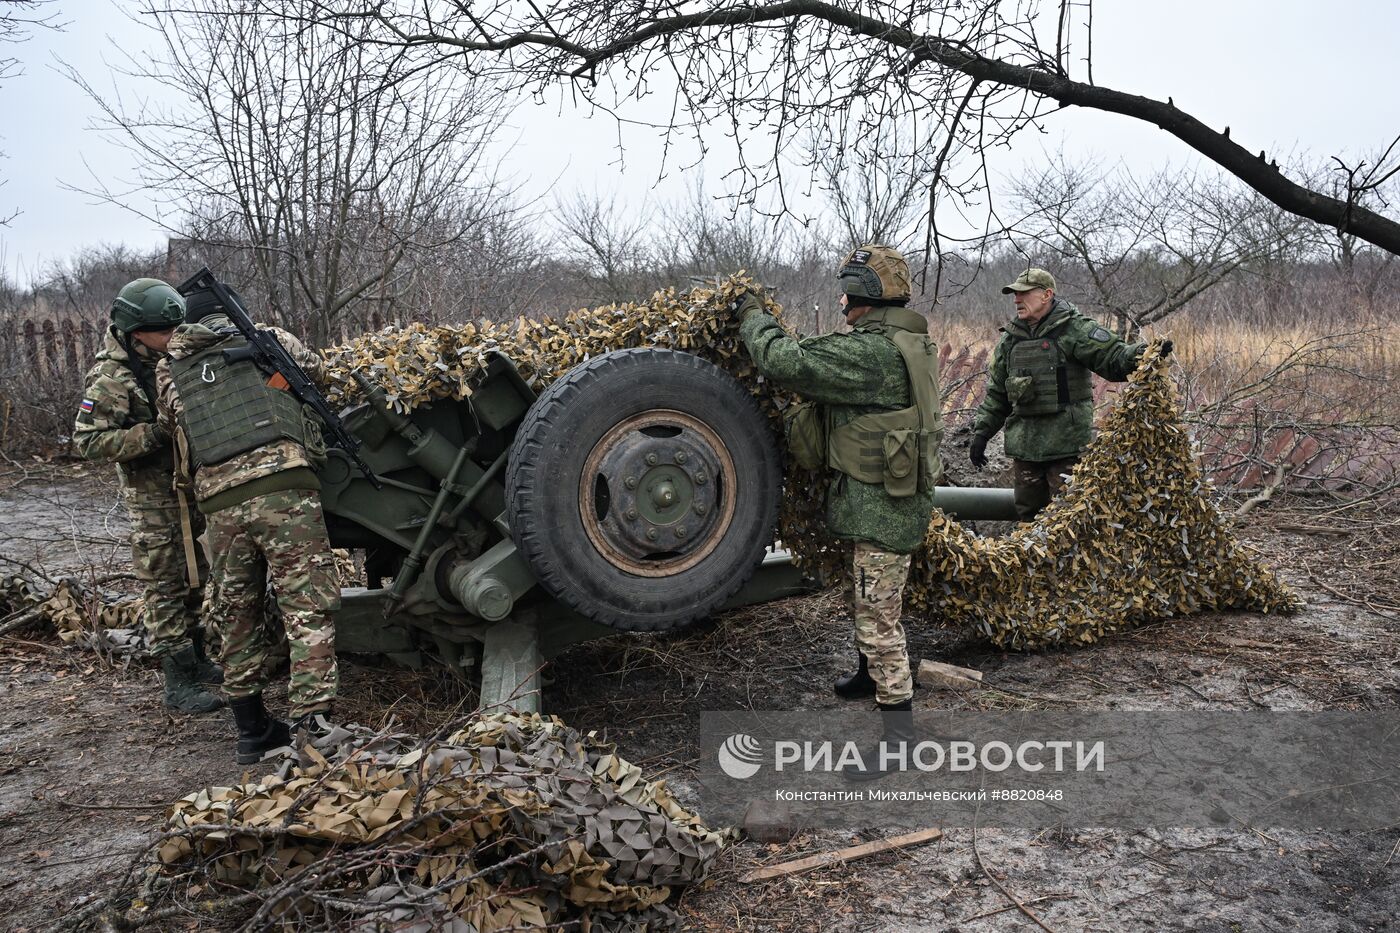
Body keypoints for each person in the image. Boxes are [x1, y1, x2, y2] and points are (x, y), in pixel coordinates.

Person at [736, 245, 942, 779]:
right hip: (881, 499)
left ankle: (900, 740)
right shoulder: (906, 341)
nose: (841, 298)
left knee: (879, 621)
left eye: (847, 289)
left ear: (866, 295)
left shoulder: (874, 354)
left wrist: (754, 315)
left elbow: (788, 362)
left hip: (883, 510)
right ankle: (867, 676)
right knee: (865, 597)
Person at [156, 285, 340, 764]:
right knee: (306, 604)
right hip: (284, 488)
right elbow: (319, 374)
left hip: (218, 504)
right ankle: (315, 725)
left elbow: (174, 419)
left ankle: (252, 730)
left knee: (237, 613)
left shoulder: (168, 369)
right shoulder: (268, 338)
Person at [73, 279, 223, 714]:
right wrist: (154, 434)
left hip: (189, 491)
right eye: (165, 330)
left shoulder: (167, 356)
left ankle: (196, 660)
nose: (175, 336)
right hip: (153, 503)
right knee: (165, 586)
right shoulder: (111, 378)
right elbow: (89, 442)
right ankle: (177, 680)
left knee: (197, 576)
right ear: (137, 332)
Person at [969, 268, 1169, 521]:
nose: (1016, 300)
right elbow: (998, 394)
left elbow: (1114, 359)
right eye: (1014, 295)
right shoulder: (1010, 340)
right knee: (1029, 521)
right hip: (1026, 449)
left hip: (1066, 448)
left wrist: (1144, 353)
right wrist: (982, 433)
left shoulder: (1074, 329)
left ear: (1046, 295)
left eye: (1023, 294)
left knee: (1070, 522)